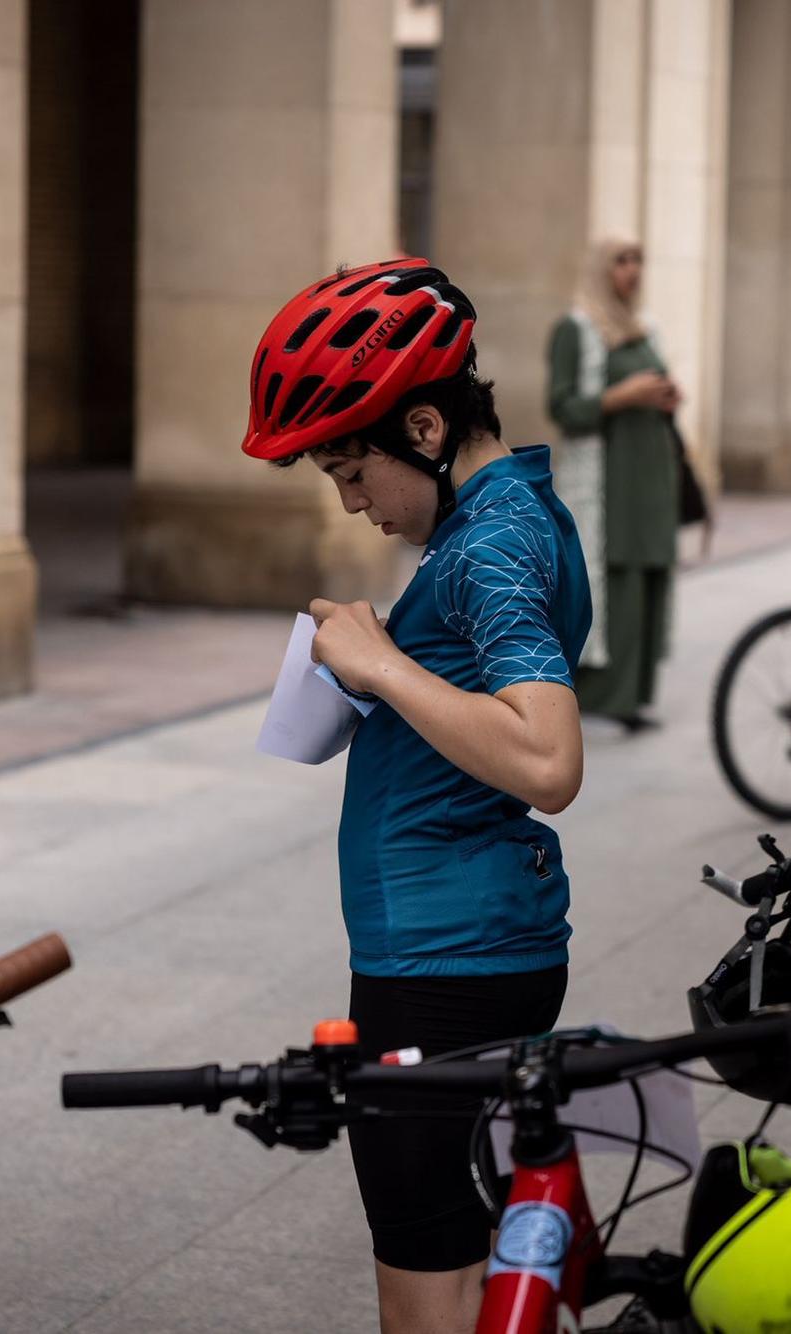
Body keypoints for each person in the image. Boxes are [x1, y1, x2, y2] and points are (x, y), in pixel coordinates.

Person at [241, 257, 591, 1333]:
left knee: (423, 1273)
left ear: (427, 431)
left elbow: (547, 759)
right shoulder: (507, 513)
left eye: (352, 470)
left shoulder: (484, 547)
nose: (351, 502)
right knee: (470, 1250)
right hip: (467, 944)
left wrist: (383, 667)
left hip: (443, 964)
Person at [545, 238, 683, 732]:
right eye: (621, 261)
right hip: (609, 480)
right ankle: (605, 697)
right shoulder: (576, 328)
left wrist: (664, 396)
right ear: (601, 270)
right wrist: (621, 396)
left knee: (648, 578)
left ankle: (635, 696)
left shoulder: (646, 329)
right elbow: (562, 407)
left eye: (639, 260)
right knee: (615, 581)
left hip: (650, 477)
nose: (633, 270)